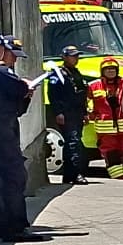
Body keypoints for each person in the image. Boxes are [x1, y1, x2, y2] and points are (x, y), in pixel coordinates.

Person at [0, 31, 45, 242]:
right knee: (14, 176)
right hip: (1, 130)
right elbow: (21, 90)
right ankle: (14, 227)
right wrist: (27, 89)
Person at [47, 46, 90, 185]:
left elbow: (81, 94)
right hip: (66, 113)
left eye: (77, 56)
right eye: (73, 56)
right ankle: (76, 174)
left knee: (75, 143)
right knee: (73, 143)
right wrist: (58, 112)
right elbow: (53, 95)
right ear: (64, 57)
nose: (76, 59)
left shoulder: (76, 72)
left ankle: (69, 175)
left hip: (77, 113)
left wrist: (85, 113)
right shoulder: (58, 74)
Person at [89, 57, 123, 180]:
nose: (111, 71)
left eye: (113, 69)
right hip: (105, 129)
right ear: (102, 71)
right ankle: (118, 176)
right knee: (111, 153)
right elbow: (88, 102)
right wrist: (92, 114)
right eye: (108, 69)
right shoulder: (94, 86)